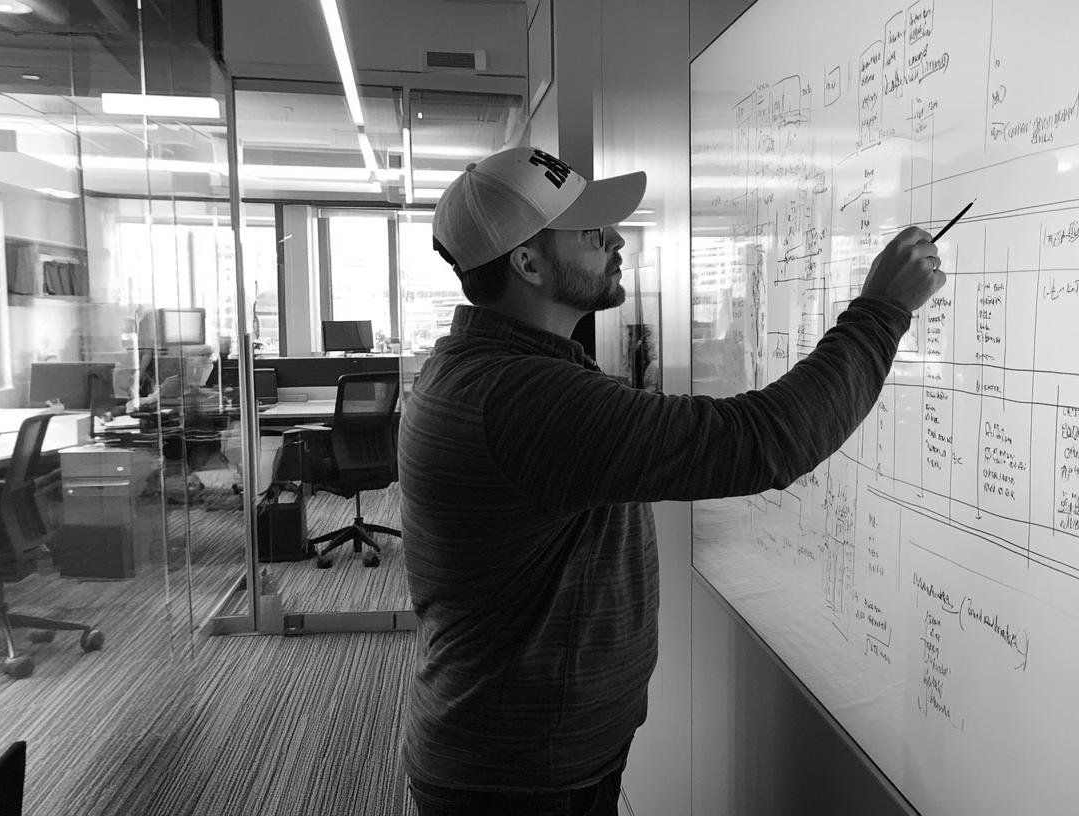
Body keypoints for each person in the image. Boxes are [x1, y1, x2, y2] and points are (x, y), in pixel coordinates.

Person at [400, 146, 944, 815]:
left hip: (521, 755)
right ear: (529, 263)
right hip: (517, 779)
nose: (615, 239)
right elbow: (764, 442)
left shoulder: (486, 369)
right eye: (588, 231)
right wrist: (882, 311)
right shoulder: (522, 397)